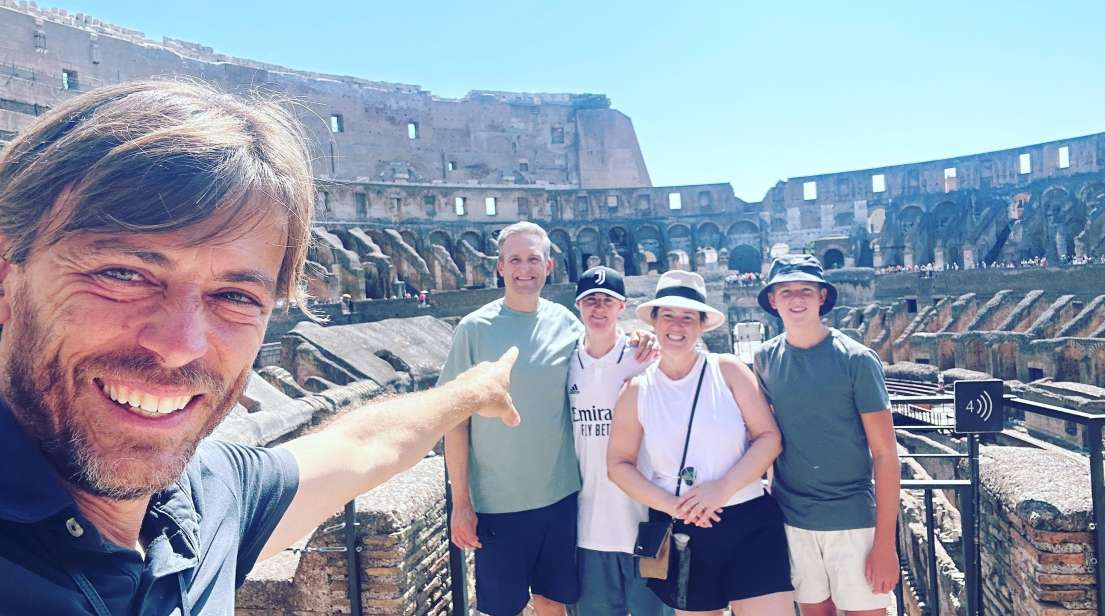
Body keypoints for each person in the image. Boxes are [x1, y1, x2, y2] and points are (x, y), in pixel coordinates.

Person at [0, 80, 520, 614]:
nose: (180, 345)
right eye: (123, 274)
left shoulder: (208, 502)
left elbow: (366, 445)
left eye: (234, 295)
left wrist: (475, 388)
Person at [440, 223, 656, 616]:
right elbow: (454, 420)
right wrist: (461, 503)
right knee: (501, 609)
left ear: (549, 266)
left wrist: (637, 334)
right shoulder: (473, 330)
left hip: (559, 498)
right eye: (516, 260)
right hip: (497, 502)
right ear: (501, 267)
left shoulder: (566, 324)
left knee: (552, 602)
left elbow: (602, 342)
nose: (525, 269)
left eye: (534, 260)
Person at [607, 270, 793, 615]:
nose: (677, 325)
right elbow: (618, 464)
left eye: (687, 317)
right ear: (655, 322)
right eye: (669, 315)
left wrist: (722, 488)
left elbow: (769, 438)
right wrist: (671, 504)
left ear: (701, 325)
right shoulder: (636, 391)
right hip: (683, 529)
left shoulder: (729, 371)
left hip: (748, 521)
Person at [752, 254, 901, 616]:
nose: (795, 298)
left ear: (822, 297)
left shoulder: (857, 360)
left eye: (805, 289)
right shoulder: (764, 360)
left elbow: (885, 454)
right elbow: (766, 437)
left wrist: (885, 543)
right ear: (773, 300)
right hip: (794, 520)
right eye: (785, 291)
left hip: (853, 521)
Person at [567, 266, 670, 616]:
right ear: (578, 306)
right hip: (588, 525)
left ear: (621, 307)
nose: (598, 309)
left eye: (607, 301)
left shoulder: (644, 359)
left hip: (645, 523)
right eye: (590, 301)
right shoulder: (566, 365)